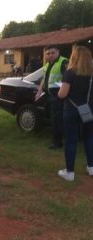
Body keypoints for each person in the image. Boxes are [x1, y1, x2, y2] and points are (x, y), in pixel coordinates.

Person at [57, 46, 93, 181]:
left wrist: (59, 91)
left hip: (72, 110)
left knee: (71, 140)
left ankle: (70, 173)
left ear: (74, 57)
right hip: (89, 110)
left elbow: (62, 94)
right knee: (89, 138)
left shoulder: (70, 72)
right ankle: (91, 167)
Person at [35, 45, 68, 150]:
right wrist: (39, 91)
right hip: (50, 95)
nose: (50, 55)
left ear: (58, 51)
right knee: (54, 118)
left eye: (52, 53)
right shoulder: (48, 64)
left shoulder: (64, 62)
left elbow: (69, 79)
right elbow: (44, 79)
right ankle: (57, 139)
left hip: (59, 95)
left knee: (57, 119)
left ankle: (57, 142)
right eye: (48, 53)